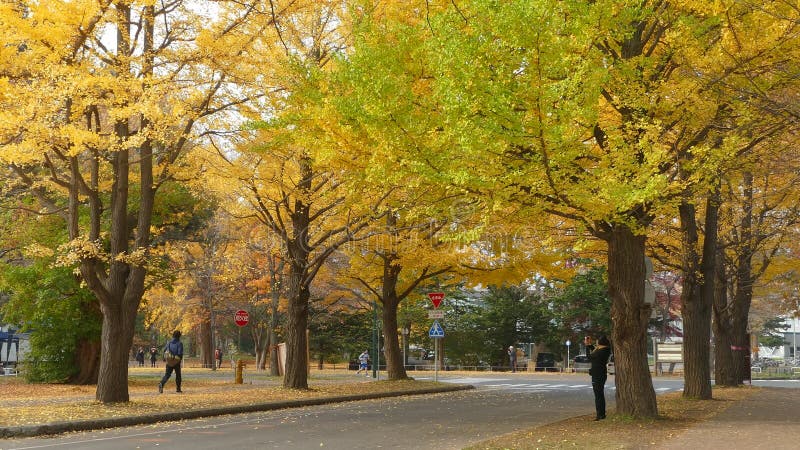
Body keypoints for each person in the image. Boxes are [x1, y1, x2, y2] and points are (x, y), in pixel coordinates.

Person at [588, 335, 612, 420]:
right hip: (600, 373)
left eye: (597, 342)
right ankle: (602, 414)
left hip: (597, 374)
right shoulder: (605, 350)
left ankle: (600, 414)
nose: (596, 343)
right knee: (600, 394)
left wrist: (587, 346)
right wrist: (590, 345)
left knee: (598, 395)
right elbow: (595, 352)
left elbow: (590, 357)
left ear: (601, 343)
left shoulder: (601, 351)